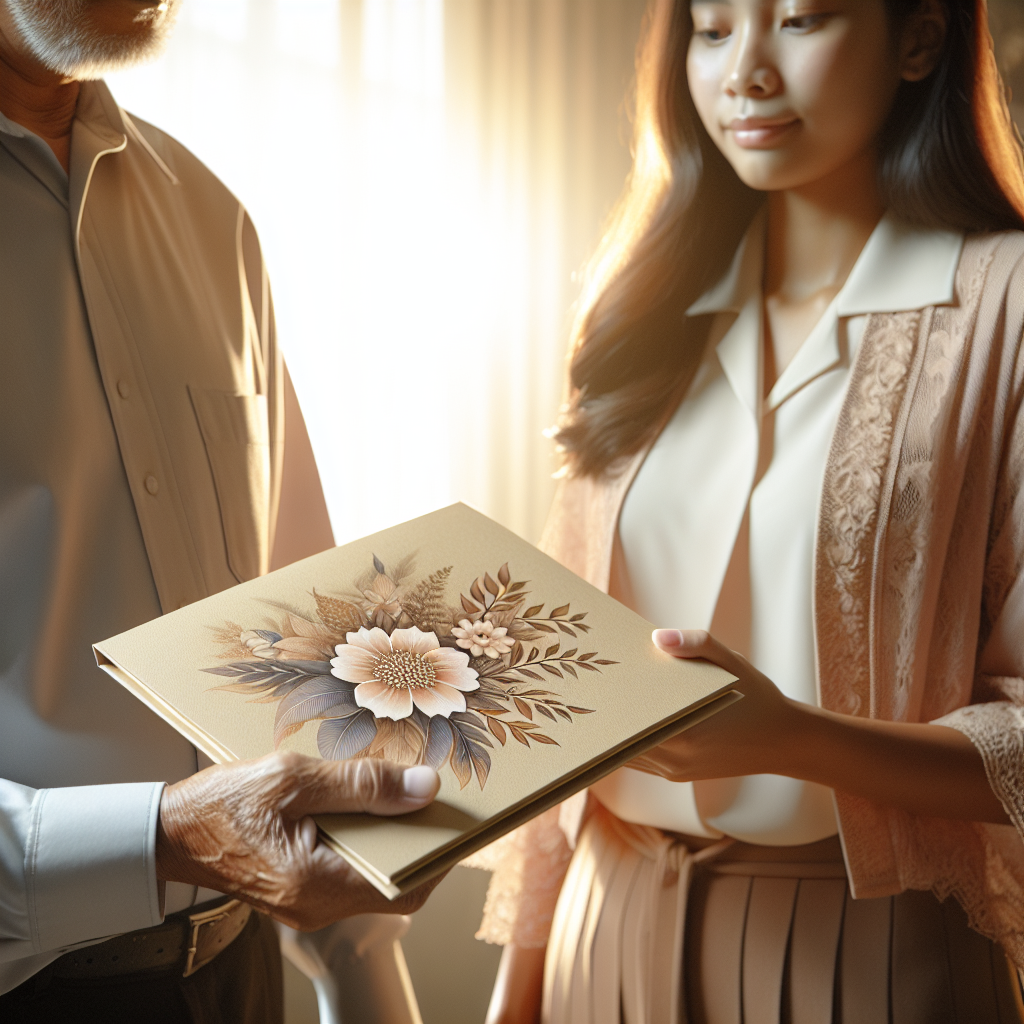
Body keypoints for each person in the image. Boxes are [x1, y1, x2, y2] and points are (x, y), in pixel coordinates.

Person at [479, 0, 1024, 1021]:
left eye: (801, 19)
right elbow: (566, 692)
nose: (745, 73)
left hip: (863, 953)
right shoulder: (634, 312)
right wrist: (518, 989)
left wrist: (786, 736)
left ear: (918, 37)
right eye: (713, 27)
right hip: (602, 930)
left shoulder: (1006, 308)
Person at [0, 1, 441, 1020]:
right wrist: (165, 838)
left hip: (237, 981)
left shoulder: (208, 214)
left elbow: (296, 626)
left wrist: (368, 969)